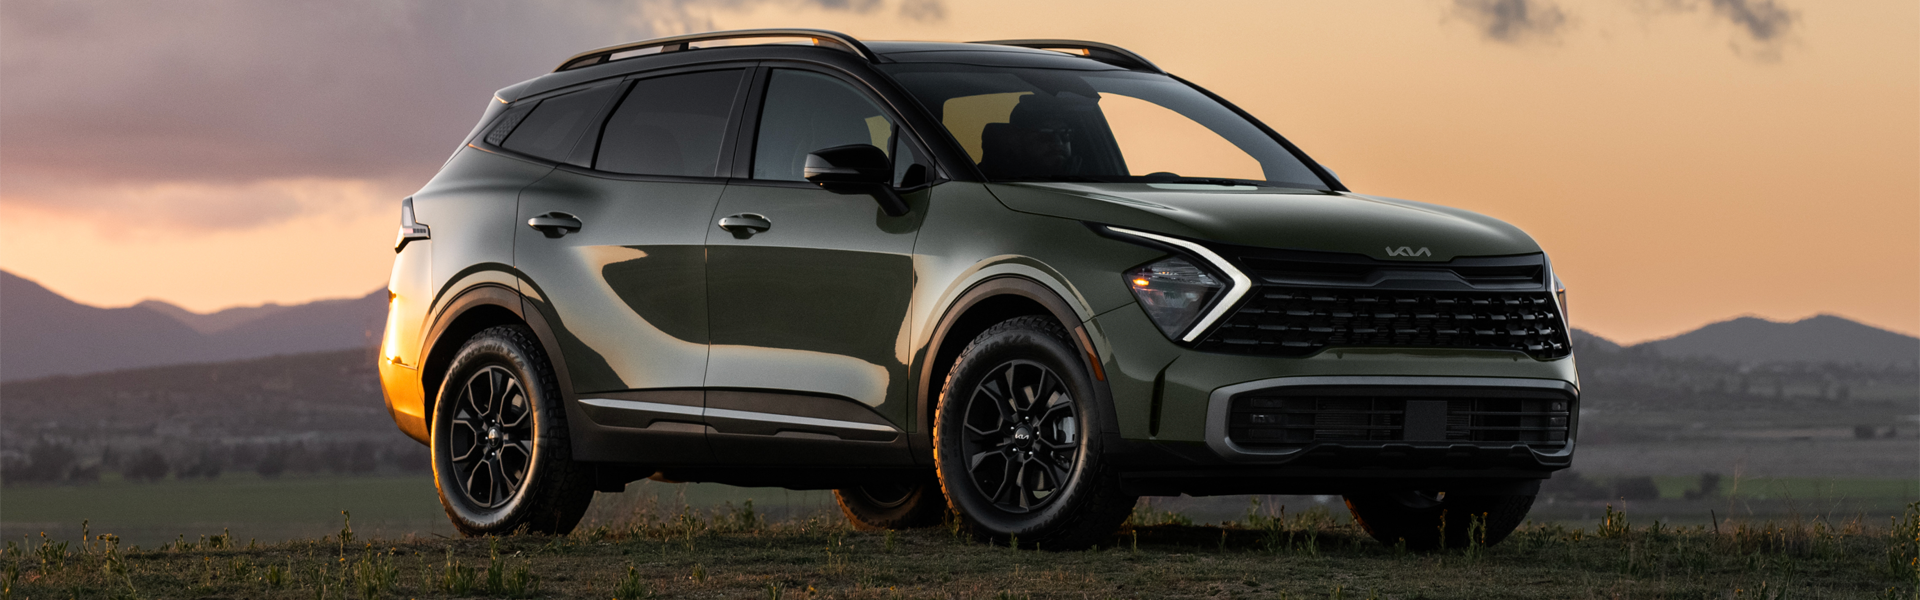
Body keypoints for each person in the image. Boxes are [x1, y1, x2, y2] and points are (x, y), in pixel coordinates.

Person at [976, 94, 1084, 179]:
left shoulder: (1090, 177)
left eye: (1065, 134)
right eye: (1045, 134)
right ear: (1016, 140)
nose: (1058, 142)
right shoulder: (979, 180)